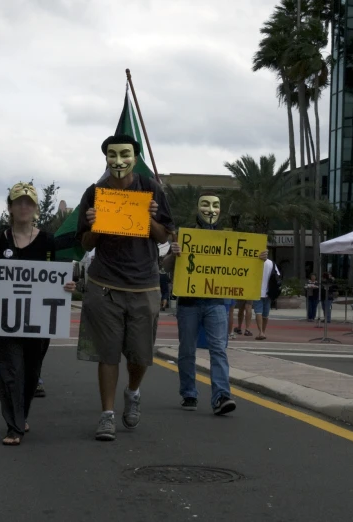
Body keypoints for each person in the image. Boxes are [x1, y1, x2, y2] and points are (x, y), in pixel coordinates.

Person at [76, 134, 174, 441]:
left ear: (135, 156)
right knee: (108, 355)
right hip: (104, 284)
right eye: (112, 155)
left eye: (125, 154)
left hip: (144, 286)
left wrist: (148, 217)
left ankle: (133, 391)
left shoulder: (151, 188)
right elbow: (85, 242)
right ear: (105, 158)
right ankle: (107, 415)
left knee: (139, 356)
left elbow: (163, 237)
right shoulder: (94, 193)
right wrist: (93, 224)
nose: (118, 161)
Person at [0, 183, 75, 445]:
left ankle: (21, 414)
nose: (23, 207)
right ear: (10, 207)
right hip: (6, 320)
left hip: (38, 322)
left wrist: (67, 286)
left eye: (28, 202)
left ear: (36, 208)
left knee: (31, 371)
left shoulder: (48, 241)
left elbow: (53, 277)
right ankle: (13, 427)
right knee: (9, 371)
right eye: (18, 202)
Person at [163, 192, 264, 414]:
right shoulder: (182, 236)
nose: (211, 209)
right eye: (206, 204)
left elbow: (241, 265)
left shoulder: (229, 239)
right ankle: (189, 393)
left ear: (221, 209)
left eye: (216, 205)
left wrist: (257, 259)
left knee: (219, 349)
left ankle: (221, 396)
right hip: (188, 303)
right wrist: (174, 253)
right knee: (187, 350)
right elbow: (167, 266)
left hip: (216, 303)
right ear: (198, 208)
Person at [252, 253, 280, 340]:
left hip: (257, 291)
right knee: (265, 314)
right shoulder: (271, 263)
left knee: (258, 312)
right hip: (269, 292)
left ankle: (260, 332)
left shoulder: (254, 262)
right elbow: (277, 275)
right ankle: (263, 331)